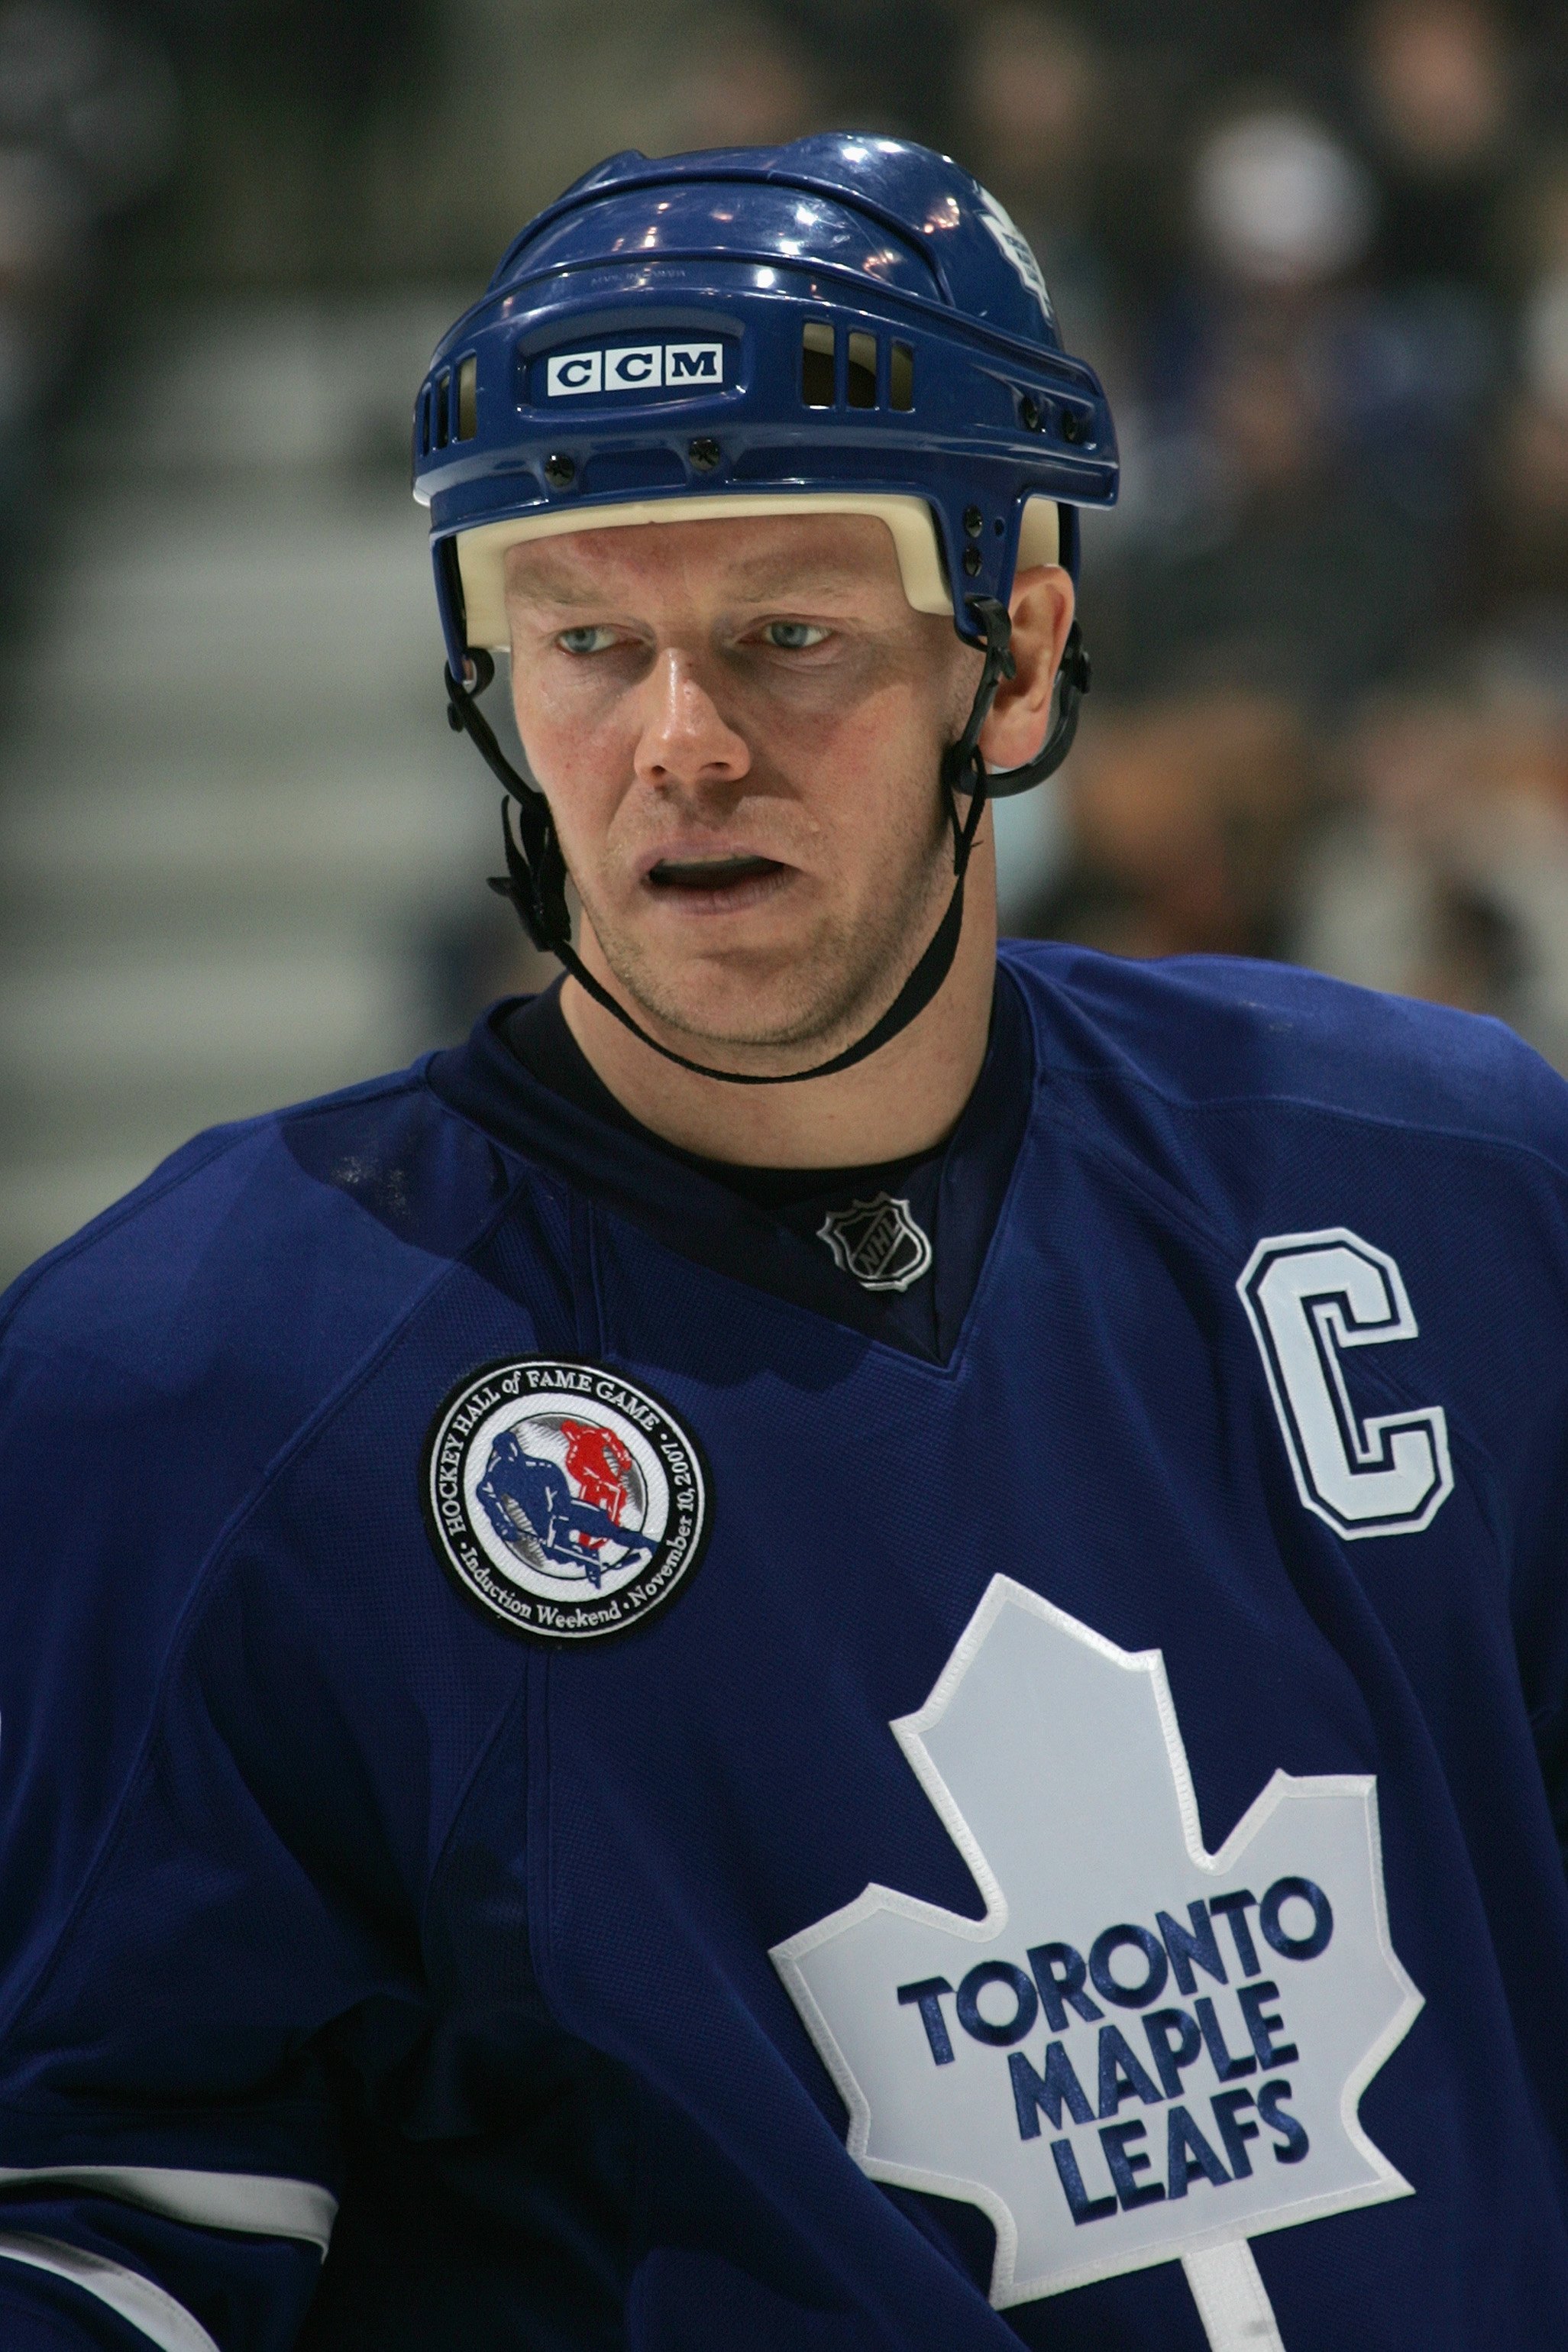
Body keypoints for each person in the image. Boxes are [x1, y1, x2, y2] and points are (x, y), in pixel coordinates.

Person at [0, 133, 1565, 2352]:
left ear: (1012, 664)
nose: (677, 743)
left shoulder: (1444, 1190)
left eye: (790, 634)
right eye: (584, 642)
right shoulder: (195, 1385)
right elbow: (92, 2241)